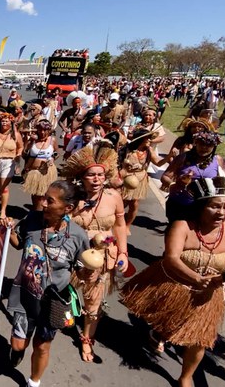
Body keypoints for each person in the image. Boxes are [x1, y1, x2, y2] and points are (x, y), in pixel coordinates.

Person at [121, 177, 225, 387]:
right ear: (202, 206)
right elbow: (171, 258)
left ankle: (185, 377)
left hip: (208, 296)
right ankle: (160, 331)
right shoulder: (183, 226)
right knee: (169, 323)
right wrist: (196, 278)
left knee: (199, 339)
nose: (222, 212)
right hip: (178, 286)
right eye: (215, 206)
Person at [0, 181, 89, 387]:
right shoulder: (32, 219)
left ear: (67, 208)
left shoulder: (77, 236)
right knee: (18, 345)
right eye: (44, 197)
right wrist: (9, 230)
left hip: (53, 300)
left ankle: (34, 382)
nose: (44, 203)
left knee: (42, 346)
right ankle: (18, 352)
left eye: (50, 200)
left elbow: (82, 270)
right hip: (25, 294)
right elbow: (18, 243)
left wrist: (91, 269)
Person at [62, 140, 128, 363]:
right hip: (73, 255)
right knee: (64, 294)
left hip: (102, 257)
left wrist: (122, 253)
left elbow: (119, 227)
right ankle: (64, 314)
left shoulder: (113, 197)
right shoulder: (73, 198)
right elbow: (60, 225)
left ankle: (87, 338)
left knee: (93, 303)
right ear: (82, 177)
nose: (97, 179)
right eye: (91, 175)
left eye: (100, 175)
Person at [161, 131, 225, 222]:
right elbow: (165, 177)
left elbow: (222, 182)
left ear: (214, 146)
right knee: (176, 230)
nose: (204, 147)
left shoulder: (218, 160)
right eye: (201, 144)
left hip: (203, 206)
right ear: (196, 143)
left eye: (208, 145)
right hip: (179, 203)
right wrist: (176, 184)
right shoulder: (183, 157)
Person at [119, 129, 165, 233]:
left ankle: (127, 225)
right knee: (122, 202)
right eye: (147, 138)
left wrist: (170, 156)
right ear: (140, 139)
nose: (150, 140)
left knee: (134, 204)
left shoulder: (148, 150)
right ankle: (116, 222)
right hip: (126, 178)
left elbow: (158, 162)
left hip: (140, 179)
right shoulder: (127, 149)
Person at [22, 120, 59, 210]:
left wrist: (52, 159)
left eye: (45, 130)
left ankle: (44, 213)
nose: (42, 132)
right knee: (36, 195)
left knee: (45, 195)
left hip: (47, 172)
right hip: (34, 171)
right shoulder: (33, 140)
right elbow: (24, 154)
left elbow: (57, 153)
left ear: (49, 130)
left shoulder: (52, 140)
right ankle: (36, 212)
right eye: (40, 129)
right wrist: (29, 141)